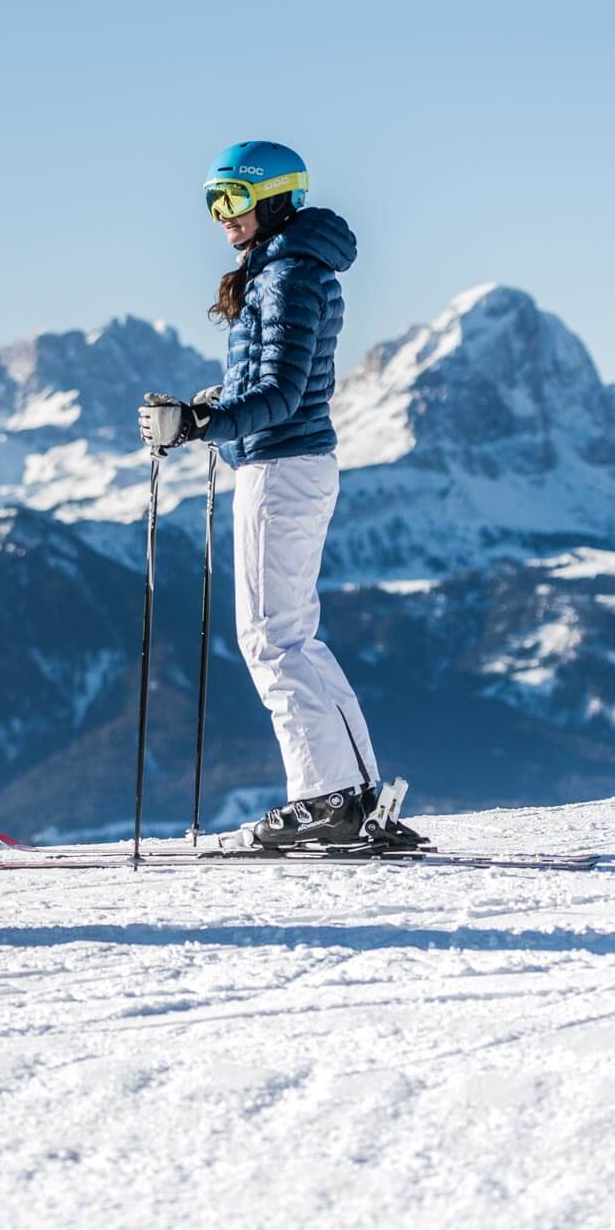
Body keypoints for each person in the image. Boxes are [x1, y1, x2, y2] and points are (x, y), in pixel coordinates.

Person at [138, 139, 420, 850]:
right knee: (291, 636)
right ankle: (351, 797)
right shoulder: (286, 270)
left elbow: (282, 394)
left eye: (230, 199)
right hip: (289, 464)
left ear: (272, 198)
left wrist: (204, 423)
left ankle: (326, 800)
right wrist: (210, 407)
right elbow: (270, 384)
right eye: (211, 202)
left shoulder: (287, 276)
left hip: (279, 468)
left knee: (270, 640)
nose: (219, 216)